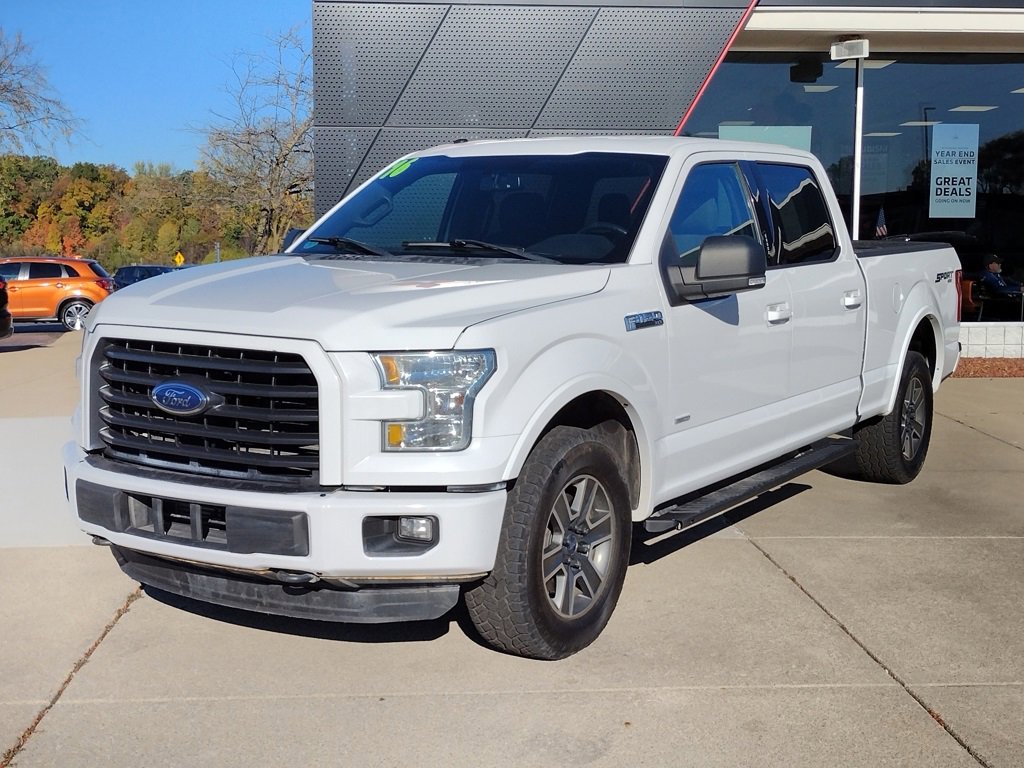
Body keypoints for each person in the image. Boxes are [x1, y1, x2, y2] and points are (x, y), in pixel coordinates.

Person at [976, 254, 1023, 321]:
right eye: (997, 263)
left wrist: (1020, 285)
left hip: (1004, 302)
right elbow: (999, 290)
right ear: (990, 265)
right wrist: (1019, 289)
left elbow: (1008, 281)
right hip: (999, 305)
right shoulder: (987, 276)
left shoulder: (995, 275)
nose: (1000, 264)